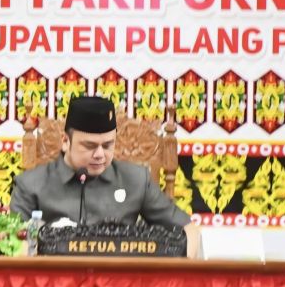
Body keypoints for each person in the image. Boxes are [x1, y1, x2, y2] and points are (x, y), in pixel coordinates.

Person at [11, 96, 198, 253]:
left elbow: (189, 230)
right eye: (90, 146)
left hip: (122, 281)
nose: (100, 154)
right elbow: (14, 243)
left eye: (108, 145)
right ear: (66, 141)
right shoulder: (30, 184)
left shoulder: (137, 180)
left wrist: (184, 270)